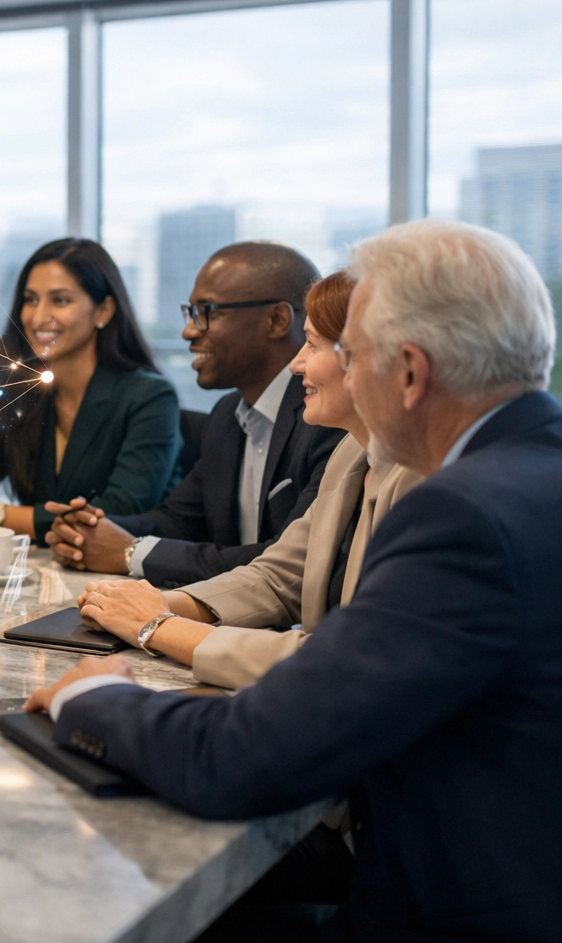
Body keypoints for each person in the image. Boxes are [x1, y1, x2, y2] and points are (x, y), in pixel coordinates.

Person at [29, 220, 562, 940]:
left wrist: (92, 696)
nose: (330, 369)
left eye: (352, 353)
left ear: (410, 372)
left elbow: (241, 758)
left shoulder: (462, 517)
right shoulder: (529, 471)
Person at [67, 270, 423, 688]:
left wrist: (157, 625)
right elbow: (277, 576)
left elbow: (350, 662)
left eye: (312, 344)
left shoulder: (426, 485)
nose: (297, 363)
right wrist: (151, 604)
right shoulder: (352, 453)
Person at [46, 242, 343, 586]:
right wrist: (88, 529)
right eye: (190, 312)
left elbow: (287, 563)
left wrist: (132, 552)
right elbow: (179, 520)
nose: (188, 331)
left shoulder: (327, 417)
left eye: (206, 312)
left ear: (276, 320)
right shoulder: (227, 415)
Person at [0, 238, 180, 544]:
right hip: (39, 567)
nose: (38, 318)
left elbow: (117, 515)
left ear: (103, 310)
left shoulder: (150, 397)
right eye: (30, 300)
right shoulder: (20, 391)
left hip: (125, 572)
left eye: (60, 300)